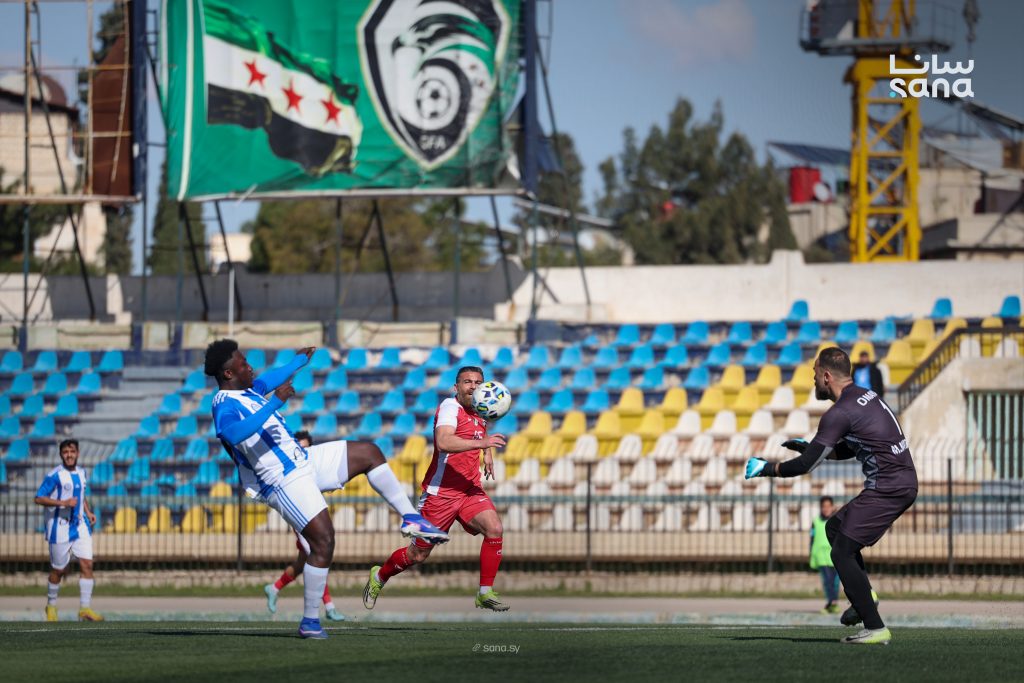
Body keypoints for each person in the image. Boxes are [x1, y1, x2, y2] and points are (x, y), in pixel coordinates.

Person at [205, 339, 446, 638]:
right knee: (323, 542)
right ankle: (310, 621)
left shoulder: (250, 389)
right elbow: (233, 434)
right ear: (228, 374)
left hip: (304, 459)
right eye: (243, 364)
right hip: (281, 479)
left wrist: (298, 362)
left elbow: (272, 378)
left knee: (370, 453)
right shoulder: (223, 404)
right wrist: (274, 403)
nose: (250, 367)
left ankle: (411, 518)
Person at [745, 347, 917, 645]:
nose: (813, 381)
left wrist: (767, 468)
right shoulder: (866, 396)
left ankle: (876, 628)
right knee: (834, 529)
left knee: (840, 552)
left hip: (889, 487)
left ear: (826, 376)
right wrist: (813, 449)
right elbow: (855, 446)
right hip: (899, 482)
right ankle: (865, 596)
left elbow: (805, 466)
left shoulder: (838, 413)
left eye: (814, 374)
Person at [362, 366, 509, 612]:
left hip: (469, 489)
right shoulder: (450, 408)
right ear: (456, 387)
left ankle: (485, 592)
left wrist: (487, 453)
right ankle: (379, 576)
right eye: (467, 382)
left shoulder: (481, 409)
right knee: (417, 555)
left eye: (478, 382)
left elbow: (480, 431)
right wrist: (482, 443)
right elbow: (444, 441)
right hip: (441, 493)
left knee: (494, 528)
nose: (473, 386)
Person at [263, 431, 343, 622]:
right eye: (300, 448)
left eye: (306, 448)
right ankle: (329, 607)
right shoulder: (290, 469)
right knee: (318, 557)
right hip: (301, 518)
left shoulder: (312, 467)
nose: (303, 451)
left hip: (313, 515)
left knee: (302, 563)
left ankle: (274, 588)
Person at [34, 438, 103, 622]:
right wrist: (63, 503)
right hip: (59, 527)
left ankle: (85, 609)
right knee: (59, 570)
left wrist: (88, 512)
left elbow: (81, 495)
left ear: (77, 453)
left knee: (87, 564)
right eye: (65, 452)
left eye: (72, 452)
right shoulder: (55, 475)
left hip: (80, 525)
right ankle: (51, 606)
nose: (69, 455)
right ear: (61, 455)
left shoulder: (82, 472)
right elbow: (39, 498)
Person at [811, 496, 841, 614]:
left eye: (828, 506)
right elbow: (812, 539)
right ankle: (831, 602)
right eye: (824, 506)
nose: (826, 508)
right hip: (821, 556)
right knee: (827, 580)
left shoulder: (837, 521)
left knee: (835, 582)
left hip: (834, 556)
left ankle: (833, 603)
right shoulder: (816, 522)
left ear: (832, 507)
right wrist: (812, 554)